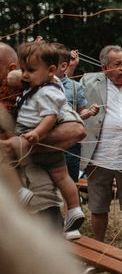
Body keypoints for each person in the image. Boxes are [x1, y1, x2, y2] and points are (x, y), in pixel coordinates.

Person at [0, 42, 87, 230]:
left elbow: (76, 130)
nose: (25, 73)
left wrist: (23, 142)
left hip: (39, 202)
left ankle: (74, 210)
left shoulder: (42, 91)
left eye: (28, 70)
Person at [80, 45, 122, 255]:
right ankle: (99, 246)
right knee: (98, 205)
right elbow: (67, 90)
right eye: (117, 64)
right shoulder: (89, 81)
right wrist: (70, 66)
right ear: (104, 67)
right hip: (99, 156)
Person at [53, 44, 99, 181]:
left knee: (70, 181)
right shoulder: (39, 84)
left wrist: (89, 112)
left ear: (62, 66)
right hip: (46, 142)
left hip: (70, 145)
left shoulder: (75, 86)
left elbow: (80, 112)